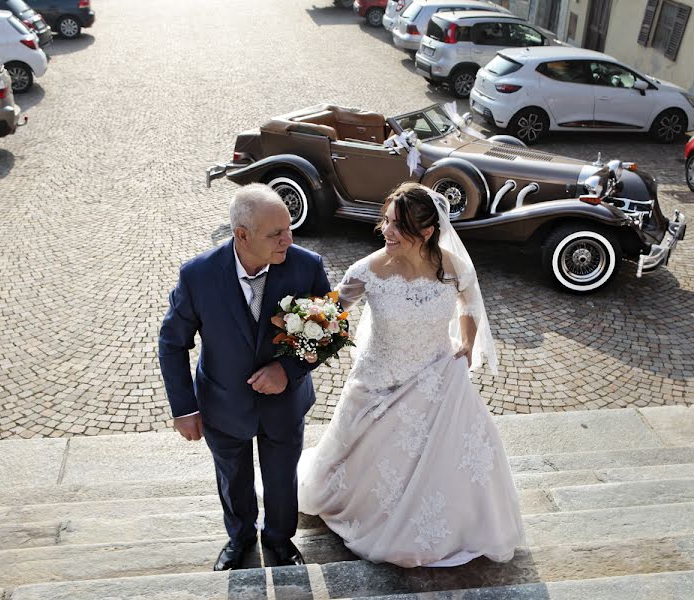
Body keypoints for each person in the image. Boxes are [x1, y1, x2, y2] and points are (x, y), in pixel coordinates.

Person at [298, 182, 526, 568]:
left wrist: (467, 343)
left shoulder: (452, 267)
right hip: (378, 383)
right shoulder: (366, 270)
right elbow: (329, 314)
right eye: (386, 221)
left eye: (398, 226)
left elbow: (469, 303)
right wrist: (300, 324)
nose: (387, 231)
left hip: (438, 377)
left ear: (426, 232)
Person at [158, 183, 331, 571]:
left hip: (285, 403)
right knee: (232, 476)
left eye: (289, 228)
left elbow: (330, 331)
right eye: (276, 233)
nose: (289, 238)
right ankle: (239, 540)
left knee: (282, 475)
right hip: (222, 402)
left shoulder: (307, 267)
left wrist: (288, 369)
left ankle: (280, 540)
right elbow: (172, 343)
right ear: (242, 235)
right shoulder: (197, 276)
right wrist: (184, 408)